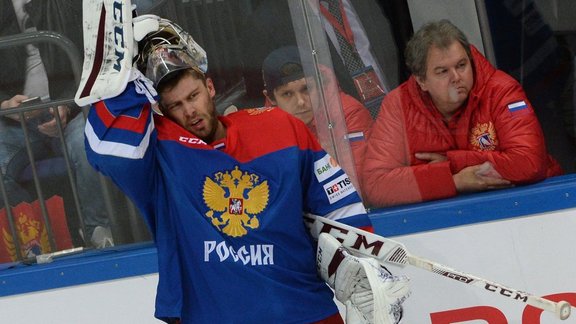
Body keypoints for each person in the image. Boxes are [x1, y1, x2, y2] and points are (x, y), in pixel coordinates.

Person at [79, 13, 409, 324]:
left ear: (209, 88)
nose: (190, 111)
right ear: (160, 110)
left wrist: (366, 268)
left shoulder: (277, 127)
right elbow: (106, 147)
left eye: (193, 96)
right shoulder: (160, 155)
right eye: (175, 106)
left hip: (303, 310)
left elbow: (336, 203)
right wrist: (124, 74)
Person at [361, 19, 563, 208]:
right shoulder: (399, 105)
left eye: (461, 65)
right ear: (421, 81)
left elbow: (528, 162)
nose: (457, 77)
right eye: (442, 71)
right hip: (448, 220)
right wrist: (454, 180)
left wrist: (453, 162)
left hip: (534, 205)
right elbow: (375, 185)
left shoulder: (501, 90)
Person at [0, 0, 113, 248]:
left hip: (76, 108)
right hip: (15, 121)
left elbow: (97, 58)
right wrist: (5, 106)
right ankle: (35, 242)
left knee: (89, 146)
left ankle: (99, 233)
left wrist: (68, 105)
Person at [261, 45, 372, 188]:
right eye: (287, 94)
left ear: (319, 85)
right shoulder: (264, 128)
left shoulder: (348, 114)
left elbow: (355, 185)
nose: (300, 102)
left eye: (306, 89)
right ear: (271, 99)